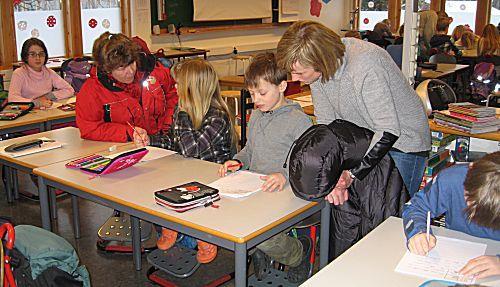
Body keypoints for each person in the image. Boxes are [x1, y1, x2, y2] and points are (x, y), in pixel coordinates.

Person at [276, 20, 431, 200]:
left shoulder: (366, 67)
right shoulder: (318, 72)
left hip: (403, 143)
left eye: (300, 73)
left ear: (321, 62)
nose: (295, 79)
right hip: (364, 137)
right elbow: (327, 125)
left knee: (391, 211)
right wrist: (331, 171)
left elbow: (388, 130)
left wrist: (350, 175)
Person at [218, 52, 313, 283]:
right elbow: (250, 150)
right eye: (252, 93)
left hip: (285, 192)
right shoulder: (258, 115)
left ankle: (299, 253)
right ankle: (260, 249)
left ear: (282, 86)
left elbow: (306, 162)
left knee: (264, 237)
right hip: (256, 189)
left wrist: (283, 175)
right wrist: (238, 161)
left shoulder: (298, 120)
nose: (256, 99)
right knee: (233, 221)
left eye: (262, 92)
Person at [134, 58, 236, 264]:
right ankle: (176, 230)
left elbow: (191, 149)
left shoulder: (217, 117)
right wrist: (150, 140)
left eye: (179, 84)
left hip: (213, 184)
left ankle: (203, 236)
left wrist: (181, 114)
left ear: (192, 89)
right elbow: (174, 142)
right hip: (188, 177)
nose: (175, 87)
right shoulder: (185, 112)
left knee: (186, 233)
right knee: (153, 194)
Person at [288, 119, 408, 260]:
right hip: (343, 156)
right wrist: (330, 179)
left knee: (378, 238)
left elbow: (389, 130)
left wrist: (351, 174)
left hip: (375, 158)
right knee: (343, 237)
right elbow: (324, 130)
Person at [403, 152, 500, 279]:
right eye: (469, 197)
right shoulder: (452, 178)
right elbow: (415, 206)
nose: (472, 214)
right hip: (453, 253)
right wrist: (417, 232)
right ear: (470, 169)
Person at [76, 32, 178, 142]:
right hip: (125, 146)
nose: (130, 71)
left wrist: (168, 128)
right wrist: (129, 132)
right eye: (121, 68)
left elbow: (174, 99)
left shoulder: (156, 71)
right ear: (107, 69)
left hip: (164, 142)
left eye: (131, 63)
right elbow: (90, 128)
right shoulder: (92, 90)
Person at [9, 38, 74, 108]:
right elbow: (12, 99)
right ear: (25, 56)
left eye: (41, 54)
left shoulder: (49, 73)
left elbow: (69, 90)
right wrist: (35, 103)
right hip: (26, 112)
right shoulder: (19, 73)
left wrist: (48, 96)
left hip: (45, 111)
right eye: (33, 54)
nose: (38, 58)